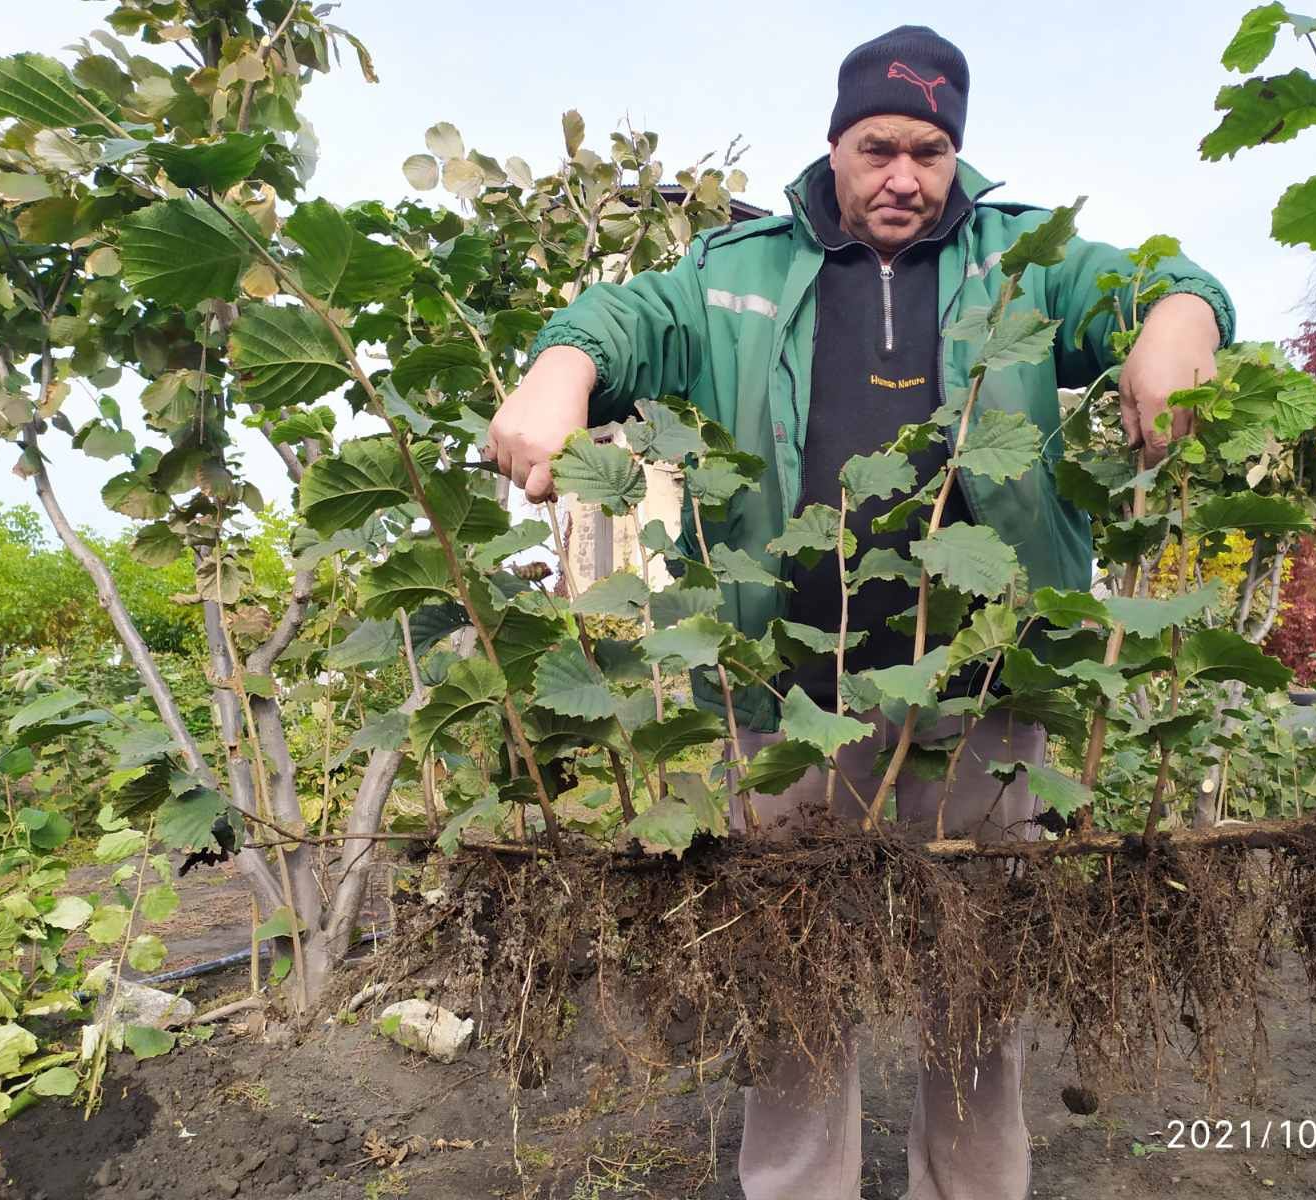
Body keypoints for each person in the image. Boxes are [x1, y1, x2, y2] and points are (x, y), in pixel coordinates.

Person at [483, 25, 1234, 1200]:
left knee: (979, 996)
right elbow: (622, 319)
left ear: (956, 156)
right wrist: (561, 370)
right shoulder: (740, 269)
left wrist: (1178, 324)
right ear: (834, 145)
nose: (903, 176)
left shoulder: (1023, 264)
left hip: (985, 689)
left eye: (930, 151)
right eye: (877, 145)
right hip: (784, 699)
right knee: (789, 989)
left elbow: (1160, 283)